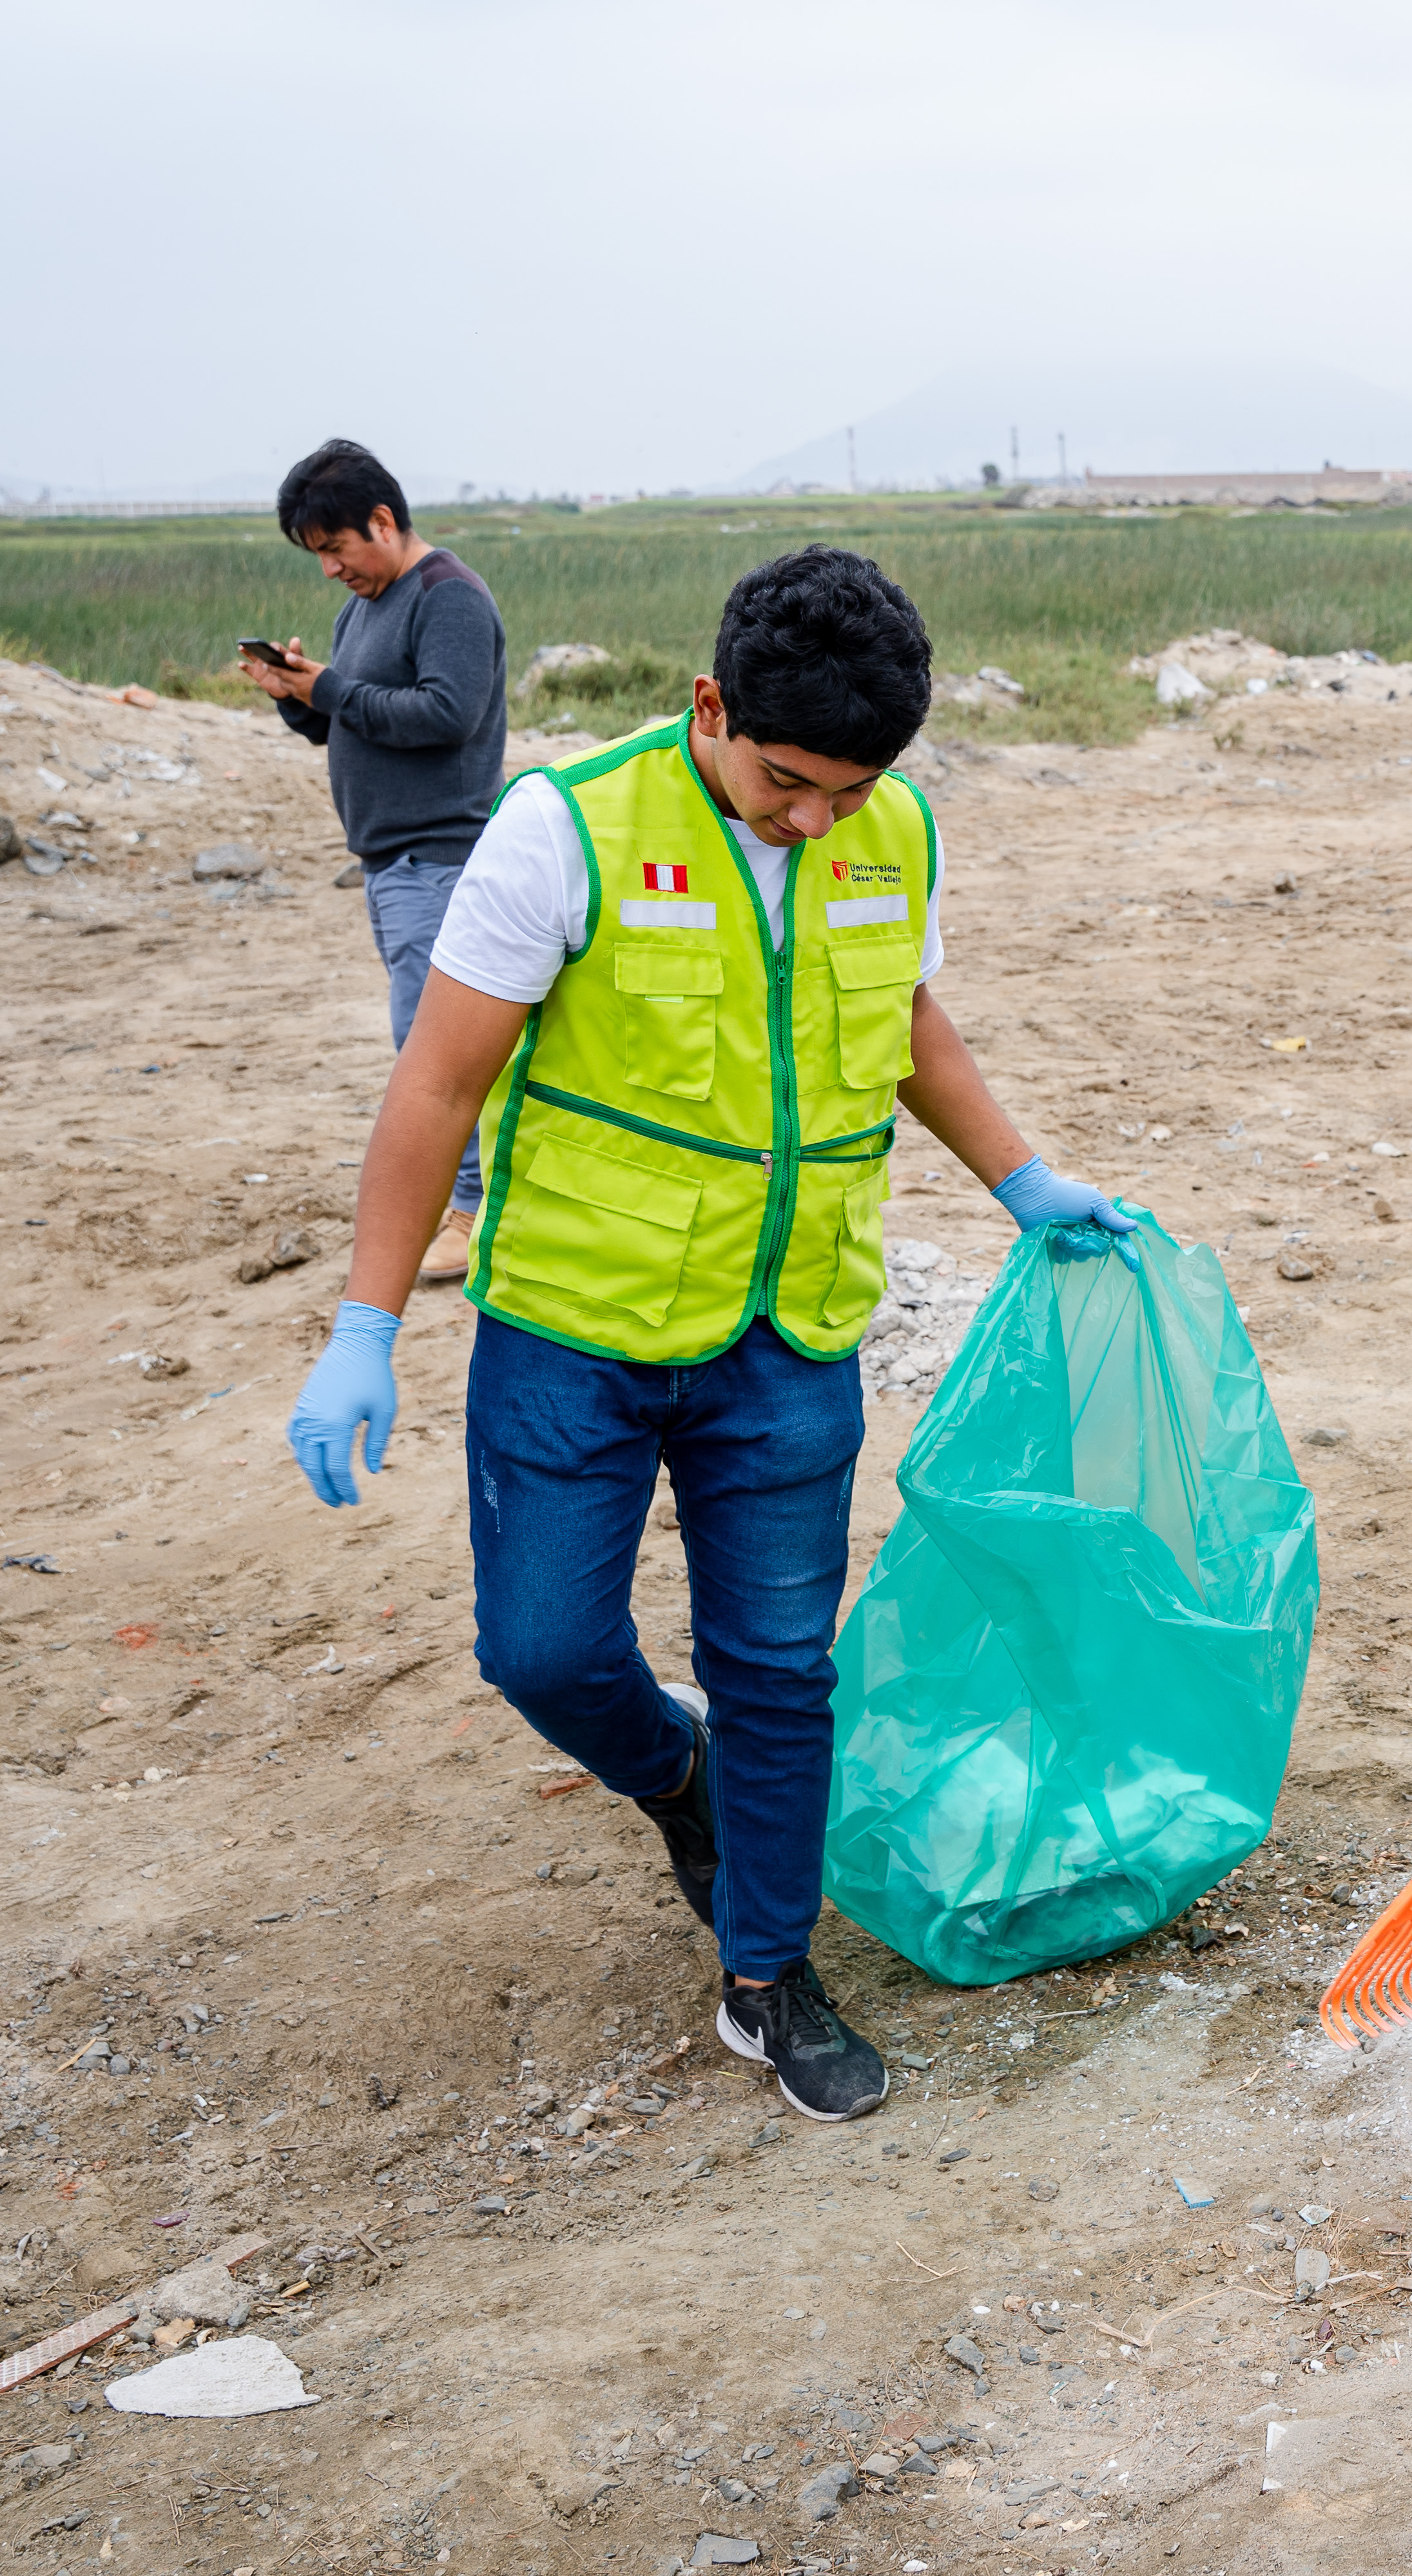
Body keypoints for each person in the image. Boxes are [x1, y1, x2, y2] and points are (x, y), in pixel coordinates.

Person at [279, 547, 1131, 2122]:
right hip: (573, 1328)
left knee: (780, 1670)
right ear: (709, 705)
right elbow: (436, 1085)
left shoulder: (896, 831)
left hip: (787, 1332)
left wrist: (1021, 1174)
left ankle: (769, 1970)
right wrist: (364, 1322)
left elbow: (906, 1022)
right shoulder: (567, 828)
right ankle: (680, 1778)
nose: (817, 819)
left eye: (853, 790)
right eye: (789, 782)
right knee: (541, 1647)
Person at [240, 440, 511, 1289]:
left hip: (441, 855)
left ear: (384, 522)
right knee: (429, 1038)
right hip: (392, 861)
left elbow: (445, 714)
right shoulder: (365, 610)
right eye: (316, 555)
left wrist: (329, 692)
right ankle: (471, 1200)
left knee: (435, 1046)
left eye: (335, 548)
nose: (329, 570)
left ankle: (470, 1214)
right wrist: (299, 698)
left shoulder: (448, 598)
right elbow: (348, 720)